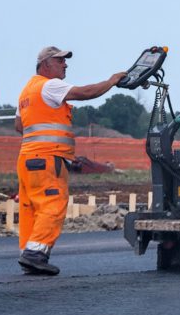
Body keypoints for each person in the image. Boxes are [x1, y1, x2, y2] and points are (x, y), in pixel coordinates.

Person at [14, 47, 125, 275]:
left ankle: (29, 251)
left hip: (27, 157)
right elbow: (86, 92)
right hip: (48, 157)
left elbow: (19, 126)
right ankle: (35, 254)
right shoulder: (50, 85)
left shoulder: (27, 91)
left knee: (31, 207)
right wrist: (112, 81)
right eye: (60, 61)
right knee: (52, 204)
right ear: (46, 64)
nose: (65, 65)